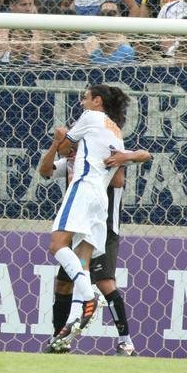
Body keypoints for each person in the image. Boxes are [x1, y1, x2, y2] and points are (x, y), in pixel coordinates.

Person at [38, 83, 131, 349]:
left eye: (85, 98)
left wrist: (61, 137)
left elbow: (67, 145)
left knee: (57, 244)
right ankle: (66, 332)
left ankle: (89, 298)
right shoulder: (114, 131)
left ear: (97, 101)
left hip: (84, 189)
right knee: (81, 262)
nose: (82, 102)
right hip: (98, 199)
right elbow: (49, 167)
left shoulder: (91, 117)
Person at [42, 137, 151, 356]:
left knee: (105, 283)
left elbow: (140, 160)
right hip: (77, 228)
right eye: (69, 150)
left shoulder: (105, 158)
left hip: (104, 228)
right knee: (63, 284)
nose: (71, 154)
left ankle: (125, 342)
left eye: (74, 149)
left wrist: (123, 158)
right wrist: (55, 145)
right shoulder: (72, 163)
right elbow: (45, 171)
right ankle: (59, 338)